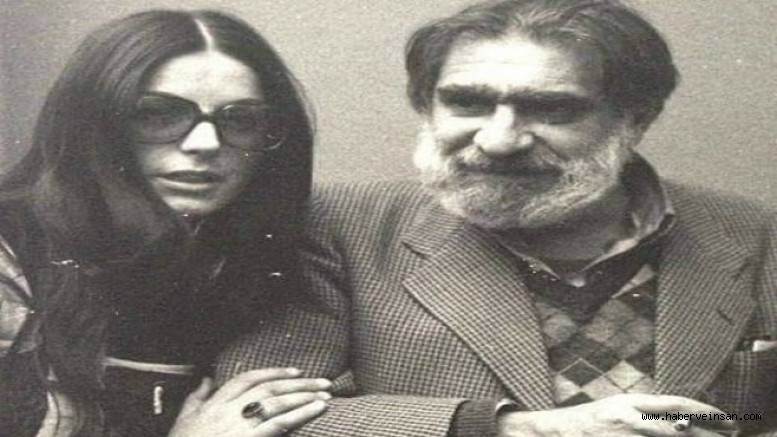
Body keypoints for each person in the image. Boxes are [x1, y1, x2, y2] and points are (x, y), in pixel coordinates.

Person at [217, 0, 777, 436]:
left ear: (635, 118)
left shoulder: (754, 233)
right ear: (425, 105)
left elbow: (761, 419)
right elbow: (257, 418)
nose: (499, 140)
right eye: (467, 102)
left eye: (552, 108)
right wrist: (516, 428)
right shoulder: (336, 225)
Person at [0, 9, 333, 437]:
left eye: (240, 120)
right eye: (157, 115)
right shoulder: (11, 250)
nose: (205, 143)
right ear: (93, 124)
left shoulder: (266, 255)